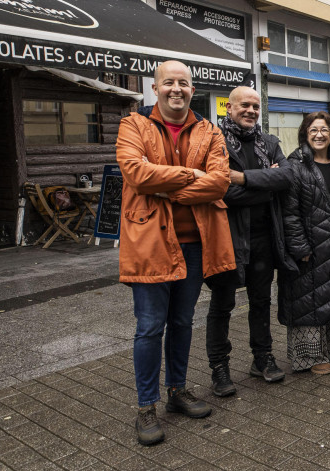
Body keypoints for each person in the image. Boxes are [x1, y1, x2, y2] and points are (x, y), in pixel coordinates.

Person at [115, 60, 234, 446]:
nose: (176, 90)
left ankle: (177, 391)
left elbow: (218, 184)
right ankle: (146, 406)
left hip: (196, 243)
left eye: (183, 83)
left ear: (192, 87)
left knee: (182, 322)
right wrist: (191, 176)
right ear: (156, 87)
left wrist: (164, 182)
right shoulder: (133, 125)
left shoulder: (209, 130)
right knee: (150, 327)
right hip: (149, 243)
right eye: (169, 83)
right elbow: (135, 173)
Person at [206, 86, 293, 397]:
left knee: (261, 301)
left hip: (264, 238)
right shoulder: (214, 142)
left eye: (256, 106)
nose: (251, 111)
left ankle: (262, 357)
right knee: (222, 305)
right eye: (245, 105)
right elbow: (220, 190)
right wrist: (265, 183)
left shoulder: (268, 142)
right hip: (227, 239)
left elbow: (287, 177)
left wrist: (243, 178)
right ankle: (219, 367)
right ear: (229, 108)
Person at [279, 112, 330, 374]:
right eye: (313, 130)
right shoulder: (296, 166)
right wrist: (299, 247)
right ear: (305, 133)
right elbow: (289, 212)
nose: (319, 134)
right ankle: (311, 357)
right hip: (311, 249)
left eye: (324, 130)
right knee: (310, 302)